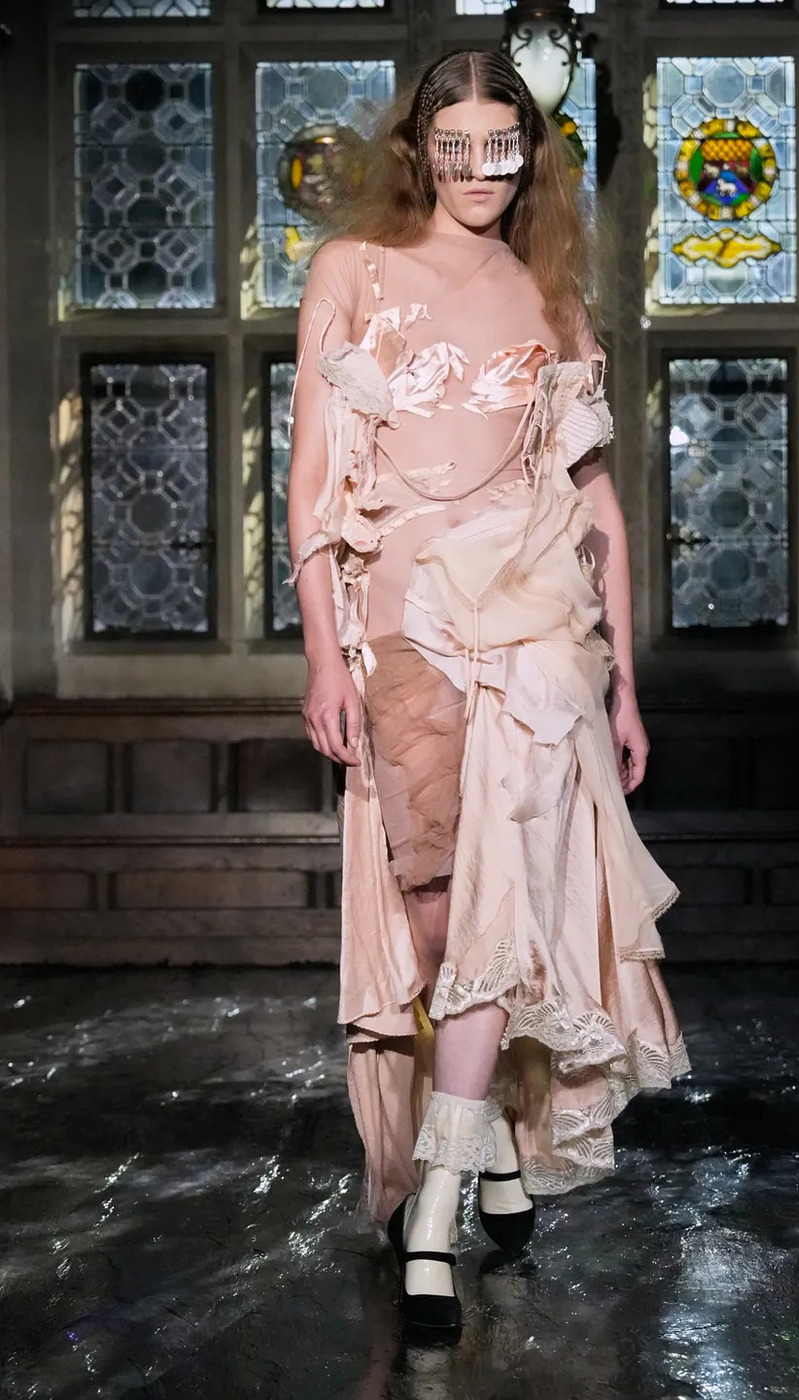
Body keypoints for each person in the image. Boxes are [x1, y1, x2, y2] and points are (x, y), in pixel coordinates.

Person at [286, 48, 689, 1339]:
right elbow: (309, 485)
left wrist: (625, 687)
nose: (475, 169)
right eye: (451, 145)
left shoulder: (549, 290)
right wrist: (319, 655)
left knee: (492, 906)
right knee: (429, 917)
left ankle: (436, 1212)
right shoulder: (352, 271)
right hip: (402, 627)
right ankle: (495, 1144)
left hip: (535, 636)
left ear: (529, 155)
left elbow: (596, 506)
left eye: (497, 148)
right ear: (419, 150)